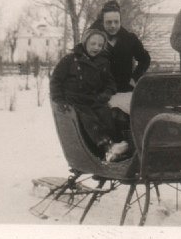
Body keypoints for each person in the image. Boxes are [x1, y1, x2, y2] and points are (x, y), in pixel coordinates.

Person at [50, 28, 131, 162]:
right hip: (75, 101)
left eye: (100, 45)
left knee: (107, 115)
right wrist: (59, 100)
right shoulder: (70, 60)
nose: (96, 48)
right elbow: (56, 80)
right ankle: (106, 147)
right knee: (88, 118)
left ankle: (117, 146)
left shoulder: (103, 62)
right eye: (93, 44)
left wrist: (106, 94)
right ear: (85, 42)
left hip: (94, 99)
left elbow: (110, 83)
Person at [90, 0, 151, 93]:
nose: (113, 26)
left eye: (116, 22)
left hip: (125, 91)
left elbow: (145, 59)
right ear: (102, 23)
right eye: (109, 22)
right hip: (100, 93)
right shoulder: (93, 41)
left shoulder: (130, 39)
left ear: (120, 22)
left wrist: (134, 78)